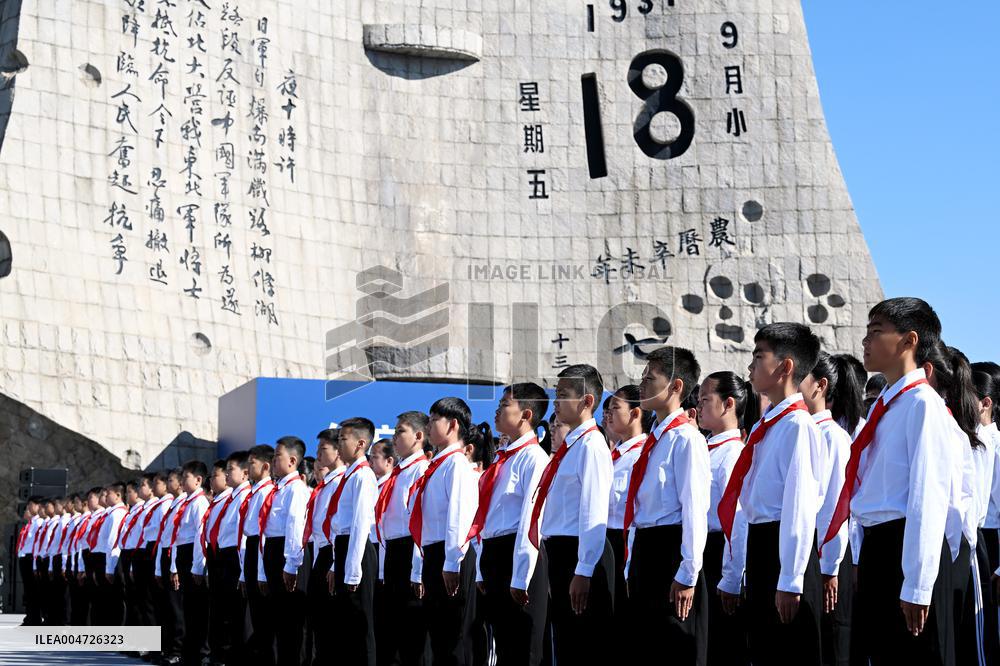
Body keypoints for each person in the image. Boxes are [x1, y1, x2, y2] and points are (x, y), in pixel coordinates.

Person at [822, 297, 956, 666]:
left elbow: (927, 497)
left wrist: (917, 582)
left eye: (876, 332)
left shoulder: (922, 405)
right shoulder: (887, 406)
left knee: (914, 655)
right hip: (880, 548)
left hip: (906, 548)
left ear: (909, 341)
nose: (865, 341)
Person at [720, 322, 824, 666]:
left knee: (788, 651)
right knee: (765, 650)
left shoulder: (798, 426)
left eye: (758, 356)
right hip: (763, 545)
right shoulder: (771, 426)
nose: (750, 366)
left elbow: (800, 506)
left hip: (784, 550)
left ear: (785, 366)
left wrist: (791, 579)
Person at [527, 364, 614, 664]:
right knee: (565, 642)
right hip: (561, 552)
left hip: (578, 553)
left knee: (582, 644)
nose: (556, 402)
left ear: (587, 401)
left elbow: (593, 511)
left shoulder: (592, 445)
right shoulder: (571, 446)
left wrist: (584, 569)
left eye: (563, 395)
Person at [629, 347, 711, 664]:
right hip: (646, 552)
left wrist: (688, 573)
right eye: (643, 377)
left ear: (676, 386)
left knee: (675, 647)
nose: (642, 384)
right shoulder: (655, 439)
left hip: (670, 553)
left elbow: (694, 509)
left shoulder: (686, 439)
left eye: (651, 378)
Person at [470, 383, 550, 665]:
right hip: (494, 554)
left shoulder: (534, 458)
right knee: (502, 644)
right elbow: (485, 516)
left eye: (505, 405)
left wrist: (521, 576)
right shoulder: (502, 459)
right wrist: (481, 566)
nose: (497, 410)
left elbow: (532, 517)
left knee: (522, 647)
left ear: (526, 414)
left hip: (516, 556)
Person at [799, 352, 865, 666]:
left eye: (801, 377)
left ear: (820, 386)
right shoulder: (803, 430)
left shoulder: (834, 437)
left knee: (832, 642)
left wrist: (830, 566)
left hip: (826, 556)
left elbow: (835, 506)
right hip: (806, 551)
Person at [409, 397, 481, 666]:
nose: (428, 426)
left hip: (451, 556)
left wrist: (452, 562)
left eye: (433, 419)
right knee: (439, 636)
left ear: (452, 424)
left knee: (454, 638)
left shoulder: (457, 464)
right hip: (435, 554)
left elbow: (459, 517)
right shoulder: (438, 466)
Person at [697, 371, 756, 665]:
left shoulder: (732, 453)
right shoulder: (707, 448)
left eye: (706, 400)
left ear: (728, 404)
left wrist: (731, 578)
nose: (699, 407)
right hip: (704, 551)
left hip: (720, 555)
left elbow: (738, 520)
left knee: (723, 644)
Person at [374, 411, 431, 666]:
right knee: (391, 631)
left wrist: (417, 572)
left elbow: (421, 522)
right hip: (393, 553)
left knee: (411, 634)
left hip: (410, 552)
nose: (394, 437)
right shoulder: (397, 473)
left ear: (418, 436)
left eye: (400, 432)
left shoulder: (422, 470)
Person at [324, 417, 380, 665]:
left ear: (360, 443)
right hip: (345, 548)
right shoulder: (350, 475)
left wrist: (353, 570)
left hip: (357, 550)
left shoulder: (363, 476)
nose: (338, 444)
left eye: (343, 439)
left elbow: (360, 525)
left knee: (361, 622)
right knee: (346, 623)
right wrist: (337, 565)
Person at [259, 437, 311, 666]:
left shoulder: (296, 488)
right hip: (271, 550)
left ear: (292, 460)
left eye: (276, 456)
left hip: (285, 553)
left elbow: (295, 527)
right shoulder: (278, 489)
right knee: (277, 619)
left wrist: (291, 565)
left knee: (290, 622)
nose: (272, 460)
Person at [603, 383, 650, 635]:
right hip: (605, 544)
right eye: (607, 410)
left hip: (625, 545)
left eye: (615, 408)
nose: (608, 415)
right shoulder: (613, 456)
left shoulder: (642, 455)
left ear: (635, 414)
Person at [305, 430, 345, 664]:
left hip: (332, 554)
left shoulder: (342, 482)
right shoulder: (327, 483)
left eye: (323, 449)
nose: (318, 454)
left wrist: (332, 562)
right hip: (320, 553)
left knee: (330, 624)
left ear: (338, 450)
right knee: (318, 620)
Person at [169, 460, 211, 665]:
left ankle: (200, 654)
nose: (182, 482)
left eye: (185, 477)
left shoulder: (200, 503)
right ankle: (189, 652)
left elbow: (200, 537)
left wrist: (197, 566)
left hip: (193, 557)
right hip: (183, 554)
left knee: (197, 609)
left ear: (198, 479)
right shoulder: (187, 502)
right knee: (187, 607)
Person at [240, 444, 277, 664]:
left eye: (252, 462)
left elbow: (263, 531)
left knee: (264, 617)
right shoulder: (255, 492)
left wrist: (261, 572)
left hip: (261, 551)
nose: (248, 466)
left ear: (265, 465)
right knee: (255, 613)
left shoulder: (268, 492)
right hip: (251, 550)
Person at [202, 459, 232, 665]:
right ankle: (215, 654)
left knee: (226, 610)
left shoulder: (232, 500)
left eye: (215, 475)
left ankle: (223, 654)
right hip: (213, 556)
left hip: (226, 558)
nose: (211, 480)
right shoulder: (216, 502)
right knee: (215, 609)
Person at [17, 497, 44, 625]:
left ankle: (34, 618)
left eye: (31, 505)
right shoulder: (31, 523)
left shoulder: (39, 522)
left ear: (39, 506)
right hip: (24, 557)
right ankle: (30, 617)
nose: (28, 508)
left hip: (31, 557)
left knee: (33, 591)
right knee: (28, 591)